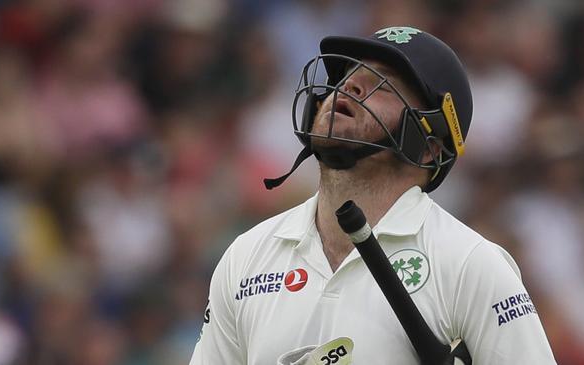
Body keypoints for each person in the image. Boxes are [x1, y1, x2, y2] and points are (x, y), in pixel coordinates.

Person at [189, 26, 557, 364]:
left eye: (382, 83)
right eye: (347, 77)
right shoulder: (246, 257)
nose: (348, 88)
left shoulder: (471, 265)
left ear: (428, 146)